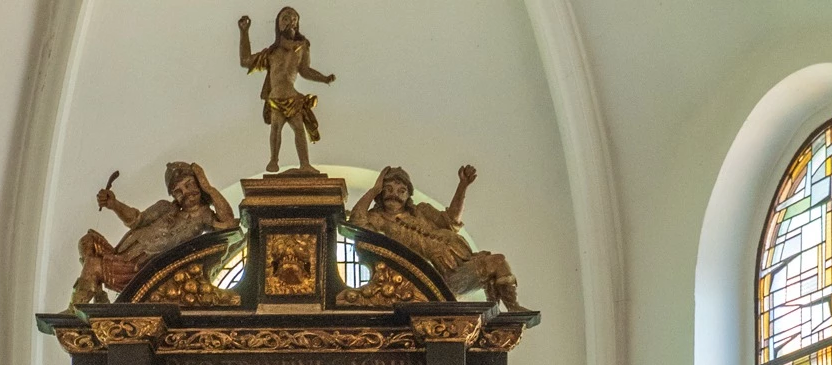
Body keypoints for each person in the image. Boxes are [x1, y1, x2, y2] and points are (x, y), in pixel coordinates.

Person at [349, 165, 518, 307]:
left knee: (499, 262)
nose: (395, 195)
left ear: (408, 196)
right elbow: (356, 223)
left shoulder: (422, 211)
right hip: (437, 278)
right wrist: (373, 190)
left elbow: (451, 220)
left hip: (460, 262)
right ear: (381, 193)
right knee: (496, 262)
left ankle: (512, 306)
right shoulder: (377, 219)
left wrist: (463, 186)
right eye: (388, 189)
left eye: (401, 191)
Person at [74, 161, 234, 302]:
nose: (185, 193)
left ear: (198, 184)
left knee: (93, 265)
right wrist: (114, 204)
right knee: (88, 241)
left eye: (189, 184)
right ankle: (97, 291)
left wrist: (208, 188)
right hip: (123, 256)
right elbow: (136, 219)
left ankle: (76, 308)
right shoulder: (165, 207)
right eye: (178, 191)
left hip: (139, 269)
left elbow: (228, 223)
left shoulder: (204, 217)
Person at [238, 9, 335, 174]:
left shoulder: (301, 48)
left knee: (299, 129)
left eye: (294, 19)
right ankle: (273, 160)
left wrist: (324, 78)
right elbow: (246, 60)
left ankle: (305, 164)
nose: (290, 22)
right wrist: (244, 32)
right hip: (276, 97)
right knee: (276, 129)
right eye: (285, 18)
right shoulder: (271, 53)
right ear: (278, 24)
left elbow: (305, 70)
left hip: (292, 96)